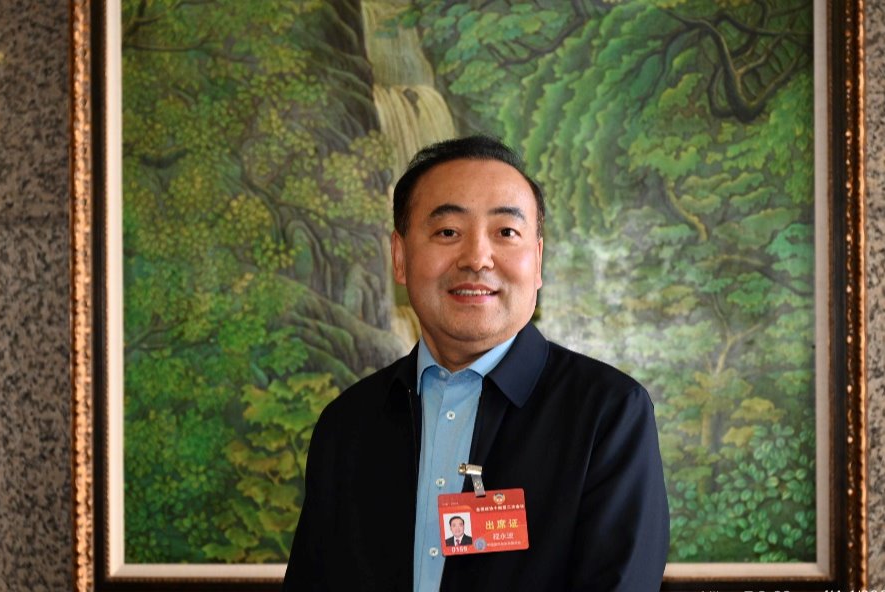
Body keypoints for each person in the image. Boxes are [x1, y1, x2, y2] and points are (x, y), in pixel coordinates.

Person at [284, 135, 669, 591]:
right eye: (448, 232)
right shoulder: (347, 424)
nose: (476, 259)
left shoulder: (608, 414)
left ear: (537, 261)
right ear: (400, 258)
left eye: (506, 232)